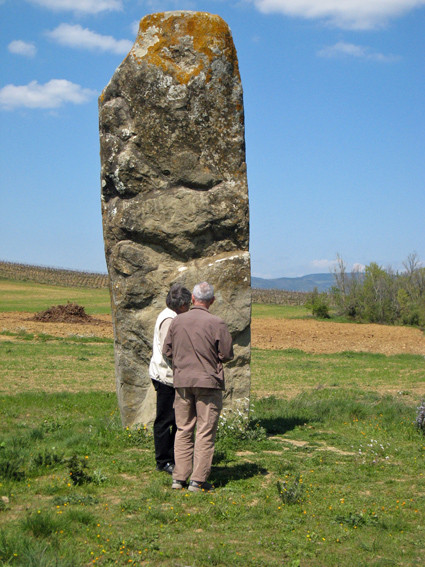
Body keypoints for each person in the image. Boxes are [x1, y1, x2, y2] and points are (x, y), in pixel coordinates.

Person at [163, 281, 234, 492]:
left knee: (183, 429)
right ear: (212, 301)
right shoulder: (217, 323)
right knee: (205, 430)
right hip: (208, 383)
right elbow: (227, 354)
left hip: (183, 382)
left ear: (192, 299)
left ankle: (179, 478)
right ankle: (198, 480)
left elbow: (167, 350)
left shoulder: (177, 322)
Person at [149, 284, 191, 474]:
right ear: (180, 305)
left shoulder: (172, 316)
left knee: (174, 418)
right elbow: (169, 350)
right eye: (187, 304)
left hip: (169, 374)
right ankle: (164, 460)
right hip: (166, 375)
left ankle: (174, 456)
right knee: (166, 419)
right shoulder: (170, 319)